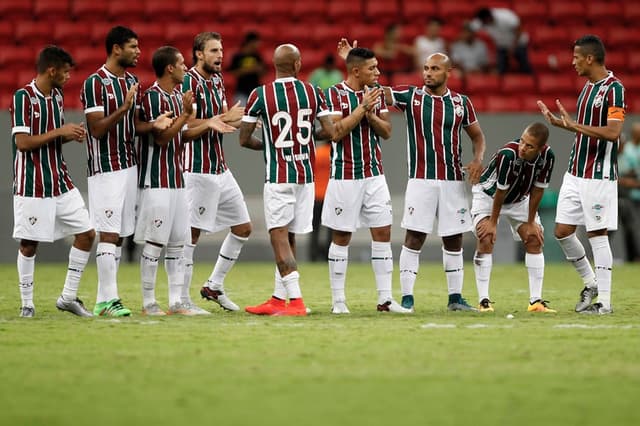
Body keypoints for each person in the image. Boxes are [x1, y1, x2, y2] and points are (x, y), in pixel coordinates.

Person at [239, 44, 347, 316]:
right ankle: (278, 298)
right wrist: (306, 138)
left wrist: (270, 145)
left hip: (279, 176)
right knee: (290, 236)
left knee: (278, 236)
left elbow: (244, 139)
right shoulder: (313, 92)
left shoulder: (259, 94)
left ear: (275, 66)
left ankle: (296, 302)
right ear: (298, 65)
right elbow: (330, 131)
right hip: (306, 176)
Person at [135, 46, 236, 316]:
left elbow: (183, 136)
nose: (184, 67)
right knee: (156, 242)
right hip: (156, 180)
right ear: (170, 68)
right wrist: (185, 117)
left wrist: (205, 124)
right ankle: (148, 303)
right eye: (180, 63)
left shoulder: (178, 96)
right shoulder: (152, 98)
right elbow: (162, 137)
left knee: (179, 242)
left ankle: (177, 302)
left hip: (177, 178)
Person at [383, 52, 487, 312]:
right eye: (426, 68)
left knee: (454, 239)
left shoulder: (462, 103)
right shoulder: (411, 96)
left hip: (453, 181)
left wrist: (478, 159)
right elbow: (378, 91)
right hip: (421, 180)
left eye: (435, 69)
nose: (428, 73)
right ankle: (407, 297)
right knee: (414, 237)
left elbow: (478, 136)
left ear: (448, 72)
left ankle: (455, 298)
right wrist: (354, 62)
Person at [82, 26, 172, 317]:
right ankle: (110, 300)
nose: (138, 51)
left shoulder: (132, 80)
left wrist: (153, 124)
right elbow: (96, 130)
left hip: (129, 165)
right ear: (116, 49)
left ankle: (103, 300)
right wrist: (122, 108)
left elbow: (133, 126)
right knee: (108, 234)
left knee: (118, 236)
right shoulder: (94, 83)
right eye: (133, 46)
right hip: (105, 168)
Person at [538, 34, 625, 315]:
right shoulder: (587, 88)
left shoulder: (614, 89)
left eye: (576, 57)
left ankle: (605, 303)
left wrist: (574, 126)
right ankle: (591, 283)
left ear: (590, 58)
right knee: (562, 232)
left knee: (596, 234)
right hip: (575, 172)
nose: (572, 62)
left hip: (598, 175)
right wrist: (563, 125)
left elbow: (613, 133)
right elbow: (582, 129)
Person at [324, 42, 410, 314]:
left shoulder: (376, 94)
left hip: (374, 175)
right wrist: (361, 109)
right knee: (341, 236)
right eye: (373, 68)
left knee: (383, 232)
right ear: (356, 71)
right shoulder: (334, 94)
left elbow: (387, 131)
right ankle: (339, 301)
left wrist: (370, 114)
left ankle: (385, 299)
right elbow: (335, 132)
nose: (378, 71)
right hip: (345, 176)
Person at [11, 46, 95, 318]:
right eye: (66, 71)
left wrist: (68, 135)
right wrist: (59, 130)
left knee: (86, 234)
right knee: (29, 244)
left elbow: (51, 138)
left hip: (60, 181)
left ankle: (68, 297)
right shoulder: (24, 97)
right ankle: (27, 303)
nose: (68, 77)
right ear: (52, 70)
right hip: (32, 183)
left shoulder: (56, 96)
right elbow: (22, 143)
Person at [182, 32, 248, 313]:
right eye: (213, 50)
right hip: (197, 170)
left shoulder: (218, 81)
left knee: (243, 228)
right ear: (198, 54)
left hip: (220, 167)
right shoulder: (188, 81)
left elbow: (226, 116)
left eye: (221, 50)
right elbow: (185, 123)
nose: (220, 55)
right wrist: (215, 120)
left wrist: (235, 116)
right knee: (191, 235)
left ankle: (214, 285)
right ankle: (181, 299)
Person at [472, 122, 556, 313]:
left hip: (519, 200)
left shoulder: (548, 157)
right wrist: (493, 222)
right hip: (488, 196)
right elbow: (501, 192)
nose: (523, 148)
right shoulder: (508, 155)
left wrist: (531, 221)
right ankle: (483, 300)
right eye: (522, 142)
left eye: (529, 146)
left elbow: (538, 190)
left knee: (534, 238)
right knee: (486, 237)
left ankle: (535, 302)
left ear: (541, 148)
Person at [470, 7, 532, 74]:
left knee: (525, 66)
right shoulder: (481, 21)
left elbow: (519, 31)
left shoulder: (505, 16)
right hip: (502, 46)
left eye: (485, 22)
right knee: (501, 69)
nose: (484, 25)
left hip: (518, 44)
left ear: (488, 17)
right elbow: (469, 28)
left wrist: (513, 47)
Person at [617, 123, 640, 261]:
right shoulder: (628, 151)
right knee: (621, 228)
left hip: (633, 194)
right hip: (627, 196)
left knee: (634, 228)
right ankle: (632, 257)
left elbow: (633, 173)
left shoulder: (627, 155)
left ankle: (636, 257)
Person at [309, 140, 332, 262]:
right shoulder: (333, 153)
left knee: (314, 228)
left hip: (316, 195)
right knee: (331, 229)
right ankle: (329, 255)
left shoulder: (318, 152)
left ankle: (313, 255)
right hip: (330, 196)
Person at [228, 31, 265, 105]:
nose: (258, 44)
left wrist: (259, 70)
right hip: (241, 91)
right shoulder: (238, 56)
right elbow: (233, 73)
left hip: (256, 91)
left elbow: (263, 72)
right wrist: (249, 70)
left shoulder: (257, 56)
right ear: (250, 42)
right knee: (241, 114)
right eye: (257, 42)